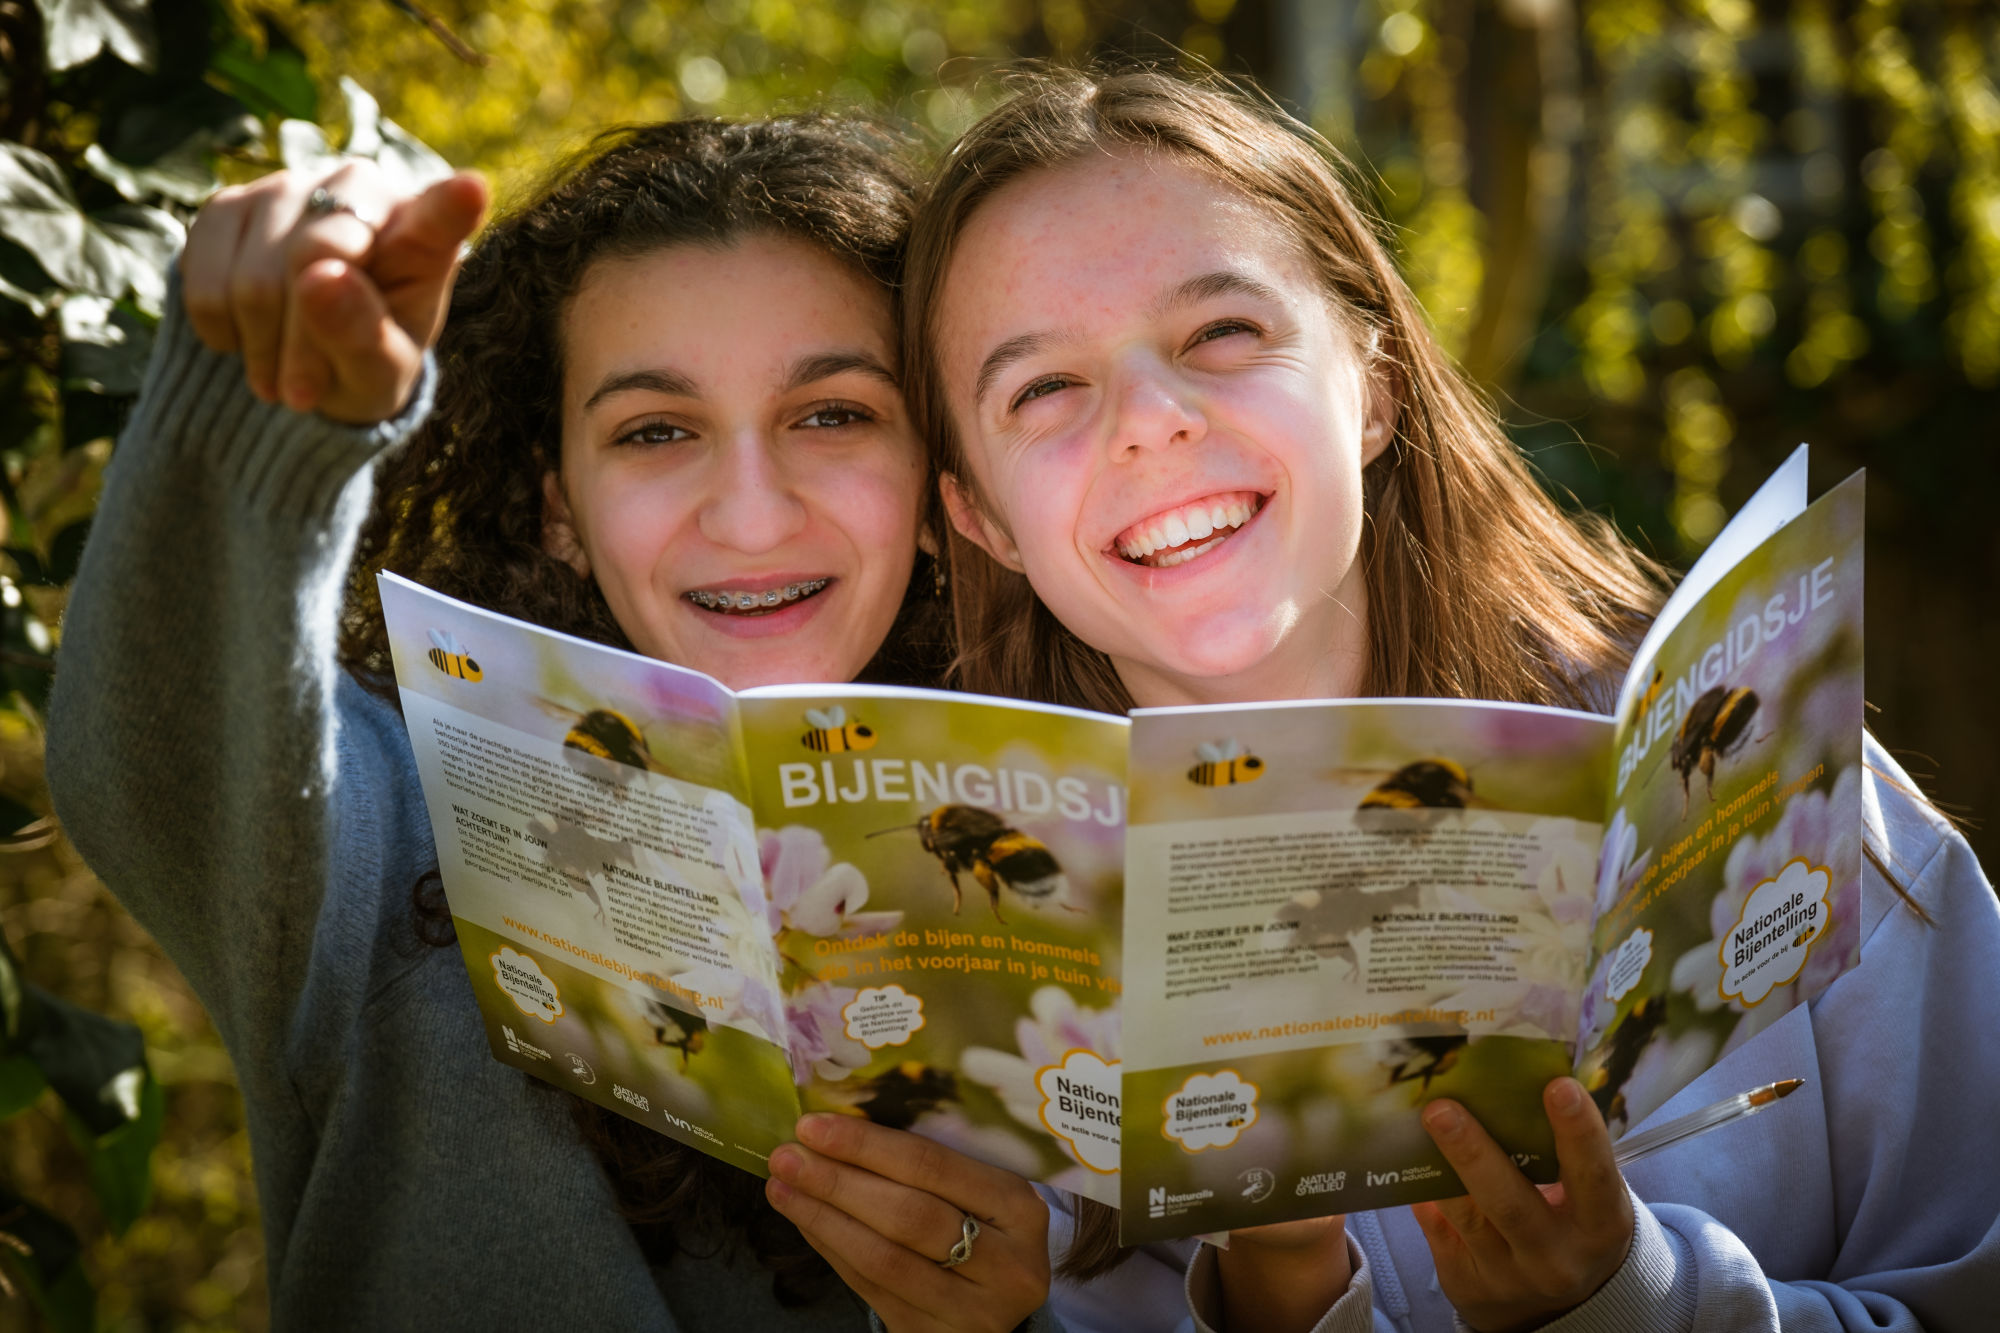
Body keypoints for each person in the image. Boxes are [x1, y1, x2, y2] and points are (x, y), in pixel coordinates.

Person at [900, 68, 2000, 1333]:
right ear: (978, 515)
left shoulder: (1752, 758)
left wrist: (1627, 1304)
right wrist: (1280, 1294)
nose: (1150, 420)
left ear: (1370, 386)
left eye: (1221, 334)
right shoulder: (971, 969)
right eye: (1042, 390)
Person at [48, 119, 1060, 1331]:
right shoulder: (395, 812)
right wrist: (270, 391)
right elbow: (154, 772)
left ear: (934, 481)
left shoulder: (1057, 847)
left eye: (833, 413)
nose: (748, 514)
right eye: (654, 430)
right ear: (559, 508)